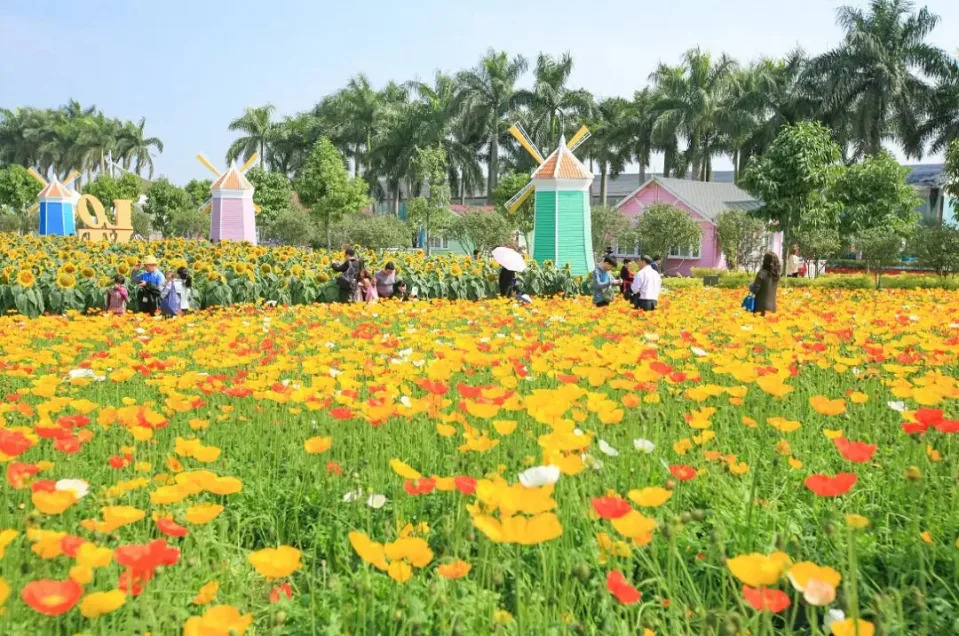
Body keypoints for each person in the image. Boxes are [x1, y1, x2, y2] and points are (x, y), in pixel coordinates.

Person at [751, 252, 781, 316]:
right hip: (773, 308)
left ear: (765, 261)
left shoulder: (761, 273)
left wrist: (750, 285)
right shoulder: (776, 275)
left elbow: (755, 290)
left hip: (760, 308)